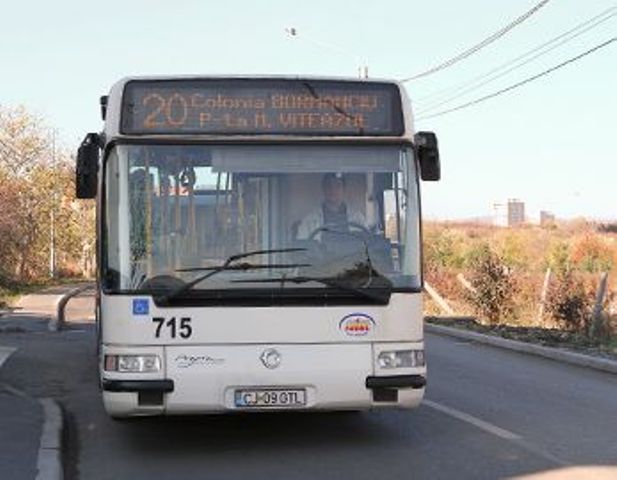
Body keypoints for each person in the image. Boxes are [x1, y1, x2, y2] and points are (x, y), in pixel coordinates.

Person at [296, 173, 366, 241]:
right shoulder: (309, 220)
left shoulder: (358, 218)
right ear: (323, 189)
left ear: (344, 189)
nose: (333, 189)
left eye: (337, 185)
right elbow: (301, 246)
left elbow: (368, 243)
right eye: (329, 185)